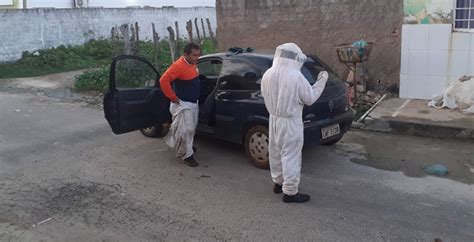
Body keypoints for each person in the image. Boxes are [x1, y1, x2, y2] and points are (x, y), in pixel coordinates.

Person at [261, 43, 328, 203]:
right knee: (290, 155)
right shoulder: (296, 76)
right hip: (290, 122)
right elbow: (310, 98)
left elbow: (264, 95)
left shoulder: (268, 74)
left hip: (274, 119)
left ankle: (278, 183)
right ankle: (290, 192)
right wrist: (322, 81)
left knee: (276, 152)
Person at [159, 42, 201, 167]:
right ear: (186, 54)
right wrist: (172, 97)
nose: (197, 58)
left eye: (198, 55)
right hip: (183, 104)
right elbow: (163, 80)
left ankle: (187, 147)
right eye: (194, 55)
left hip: (193, 103)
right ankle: (187, 155)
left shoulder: (193, 63)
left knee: (190, 129)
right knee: (185, 130)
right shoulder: (178, 66)